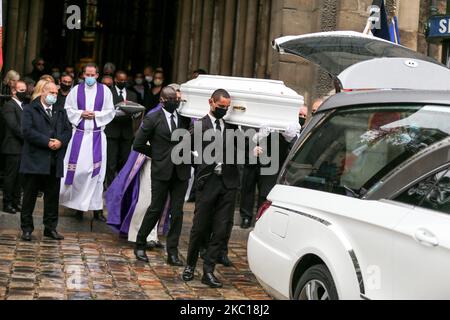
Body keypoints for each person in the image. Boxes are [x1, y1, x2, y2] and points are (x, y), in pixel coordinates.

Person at [182, 89, 241, 288]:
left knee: (220, 229)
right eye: (220, 107)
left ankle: (208, 271)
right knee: (199, 227)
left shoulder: (232, 127)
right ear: (211, 103)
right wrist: (199, 163)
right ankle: (190, 265)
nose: (223, 110)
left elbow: (243, 147)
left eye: (226, 107)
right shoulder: (200, 125)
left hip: (228, 183)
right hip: (208, 183)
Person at [133, 86, 191, 266]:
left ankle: (172, 251)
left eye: (177, 100)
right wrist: (157, 153)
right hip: (161, 170)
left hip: (181, 171)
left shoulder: (184, 118)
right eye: (172, 100)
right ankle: (140, 243)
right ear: (163, 101)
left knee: (177, 212)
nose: (176, 102)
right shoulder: (153, 118)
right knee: (155, 209)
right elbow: (138, 144)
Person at [59, 63, 115, 222]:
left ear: (97, 75)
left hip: (97, 136)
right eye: (87, 75)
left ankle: (96, 209)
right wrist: (81, 113)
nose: (90, 78)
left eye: (93, 75)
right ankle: (78, 207)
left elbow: (111, 111)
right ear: (83, 75)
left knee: (97, 174)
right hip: (80, 136)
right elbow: (68, 109)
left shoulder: (105, 91)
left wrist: (96, 115)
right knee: (78, 172)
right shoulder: (76, 90)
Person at [20, 82, 72, 241]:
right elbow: (27, 131)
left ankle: (50, 228)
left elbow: (67, 130)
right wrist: (47, 141)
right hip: (35, 160)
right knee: (29, 196)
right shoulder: (30, 109)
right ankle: (27, 229)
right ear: (42, 92)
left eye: (56, 93)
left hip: (54, 161)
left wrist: (60, 142)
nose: (54, 96)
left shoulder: (60, 110)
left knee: (52, 197)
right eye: (51, 92)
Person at [105, 70, 138, 188]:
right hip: (112, 132)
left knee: (125, 161)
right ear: (115, 80)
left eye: (124, 80)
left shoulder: (132, 94)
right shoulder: (109, 93)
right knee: (111, 162)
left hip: (126, 133)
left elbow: (137, 111)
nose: (122, 82)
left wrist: (136, 114)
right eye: (120, 80)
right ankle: (110, 187)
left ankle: (122, 186)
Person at [1, 81, 27, 214]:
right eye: (21, 90)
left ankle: (16, 202)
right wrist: (28, 137)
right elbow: (14, 126)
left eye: (25, 90)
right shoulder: (9, 106)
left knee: (19, 177)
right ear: (13, 91)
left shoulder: (23, 106)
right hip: (12, 147)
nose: (24, 92)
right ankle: (7, 203)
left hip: (21, 148)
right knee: (10, 177)